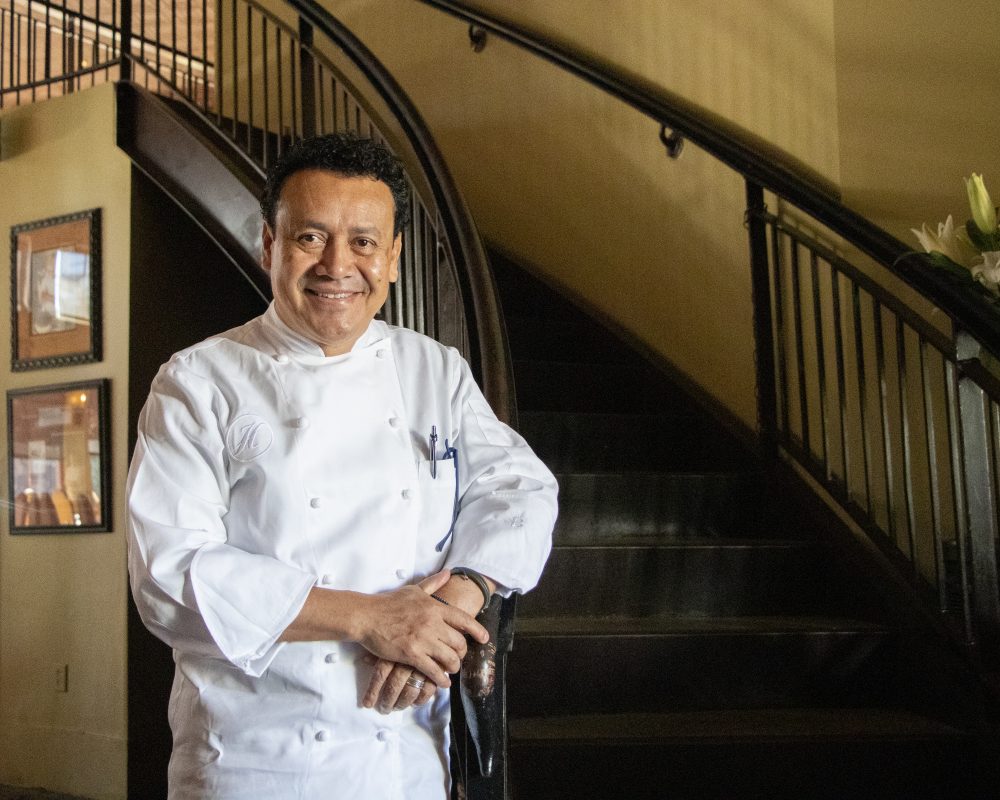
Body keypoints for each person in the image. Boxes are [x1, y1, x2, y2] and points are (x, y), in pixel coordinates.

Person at [126, 132, 558, 799]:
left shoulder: (434, 370)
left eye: (363, 241)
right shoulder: (197, 381)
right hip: (255, 760)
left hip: (408, 761)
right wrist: (369, 617)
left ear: (392, 257)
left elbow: (520, 488)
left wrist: (455, 598)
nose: (337, 265)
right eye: (309, 237)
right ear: (270, 245)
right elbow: (170, 575)